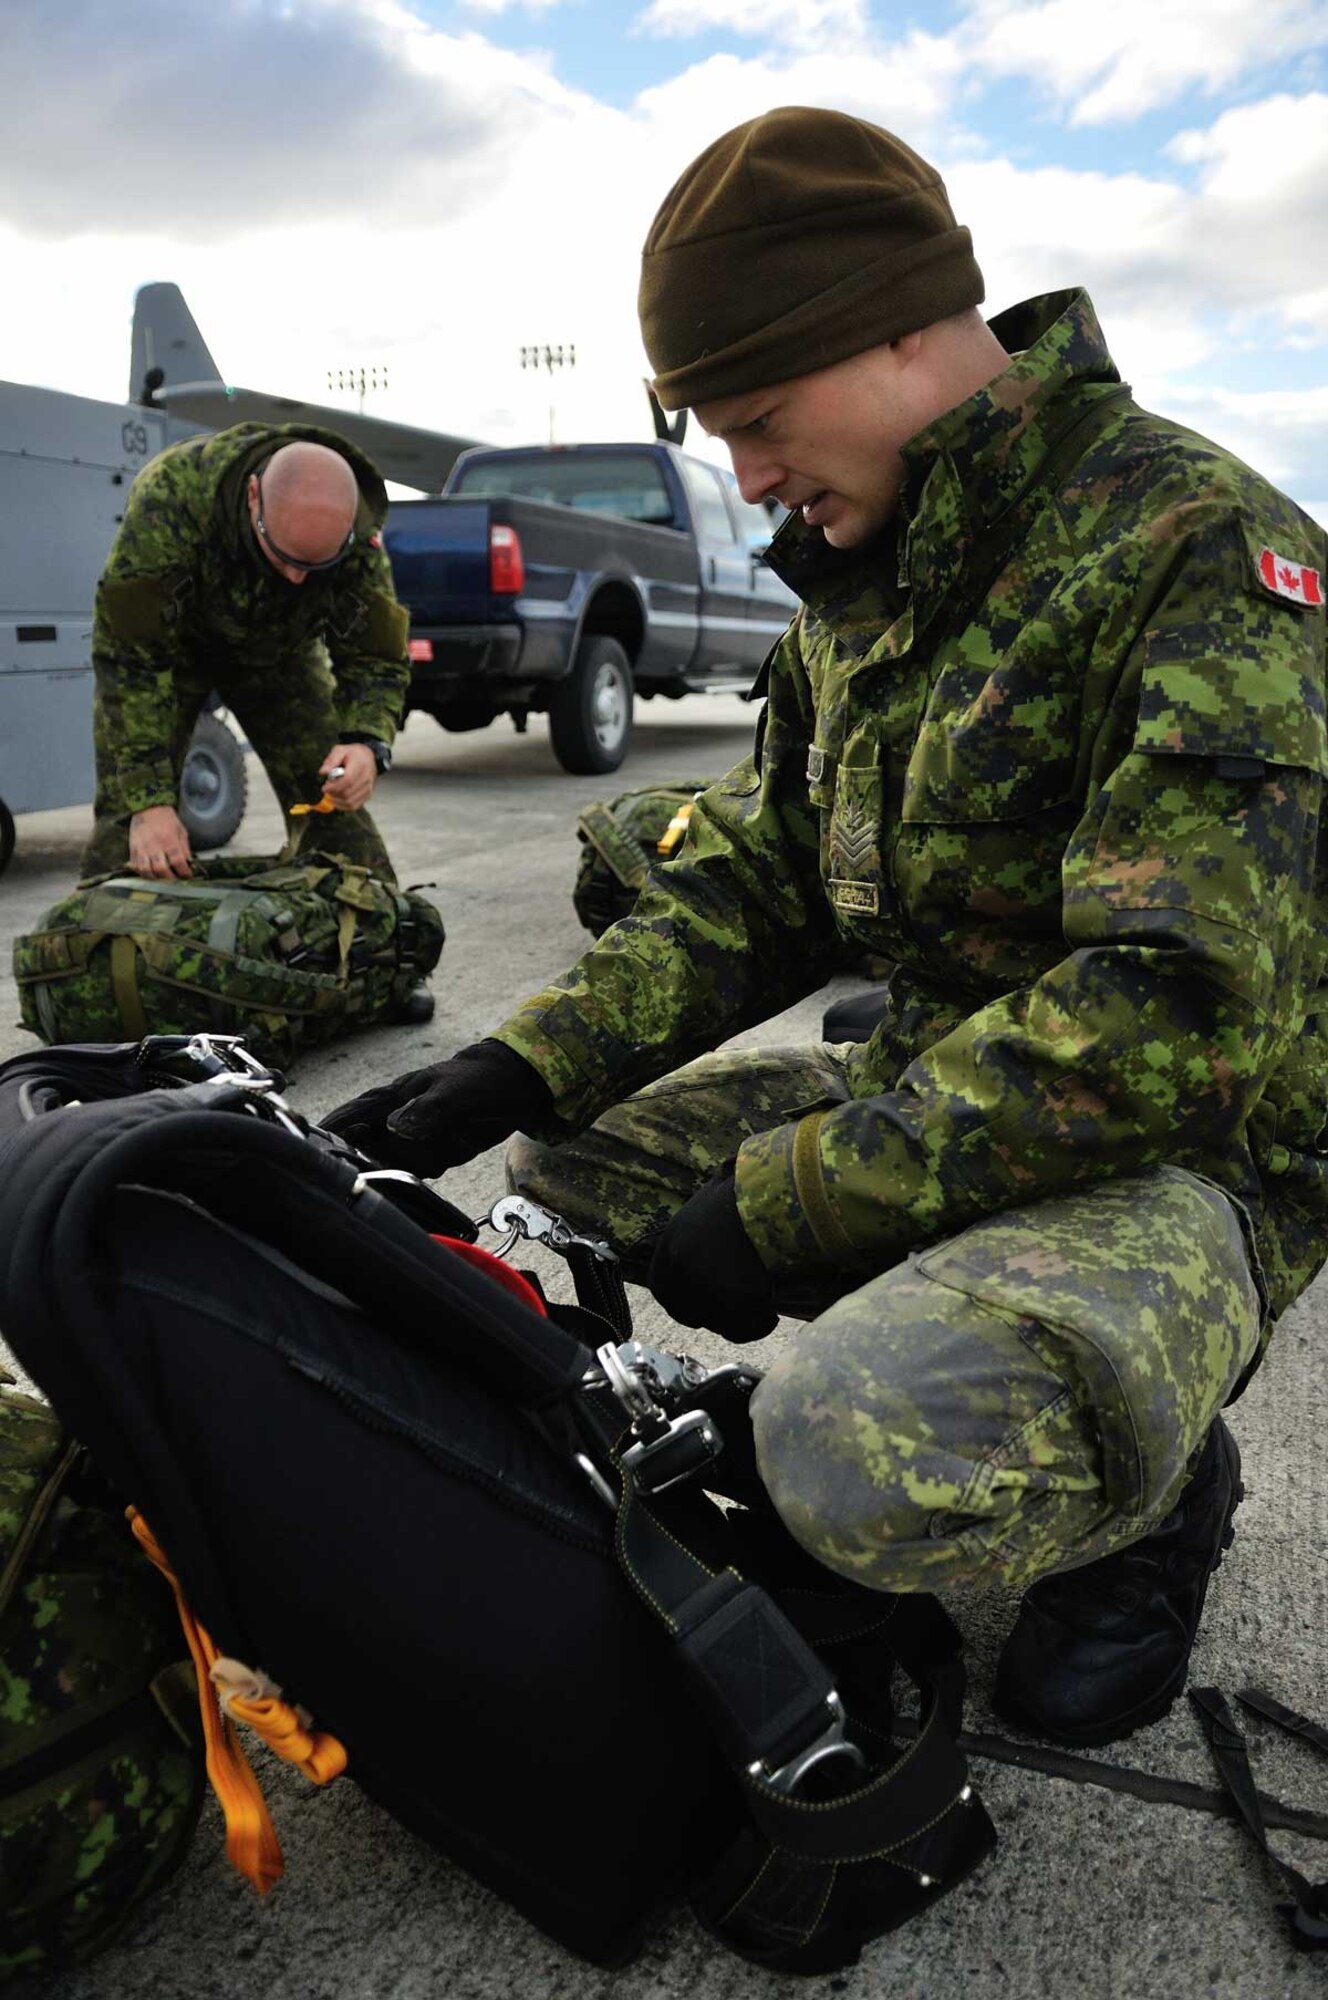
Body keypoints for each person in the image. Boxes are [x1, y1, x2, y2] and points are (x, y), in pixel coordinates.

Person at [325, 107, 1328, 1745]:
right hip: (945, 1091)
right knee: (564, 1188)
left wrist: (787, 1210)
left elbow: (1173, 1016)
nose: (746, 476)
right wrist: (510, 1069)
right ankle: (768, 1440)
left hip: (1191, 1161)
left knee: (842, 1442)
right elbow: (766, 882)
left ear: (897, 331)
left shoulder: (1194, 553)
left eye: (759, 418)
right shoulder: (867, 585)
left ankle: (1138, 1495)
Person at [82, 421, 433, 1022]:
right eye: (284, 557)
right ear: (252, 498)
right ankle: (92, 985)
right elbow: (130, 660)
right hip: (174, 654)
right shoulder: (172, 497)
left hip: (280, 656)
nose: (297, 577)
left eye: (313, 566)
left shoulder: (356, 541)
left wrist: (367, 742)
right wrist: (147, 801)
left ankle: (384, 964)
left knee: (333, 800)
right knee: (133, 825)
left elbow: (375, 655)